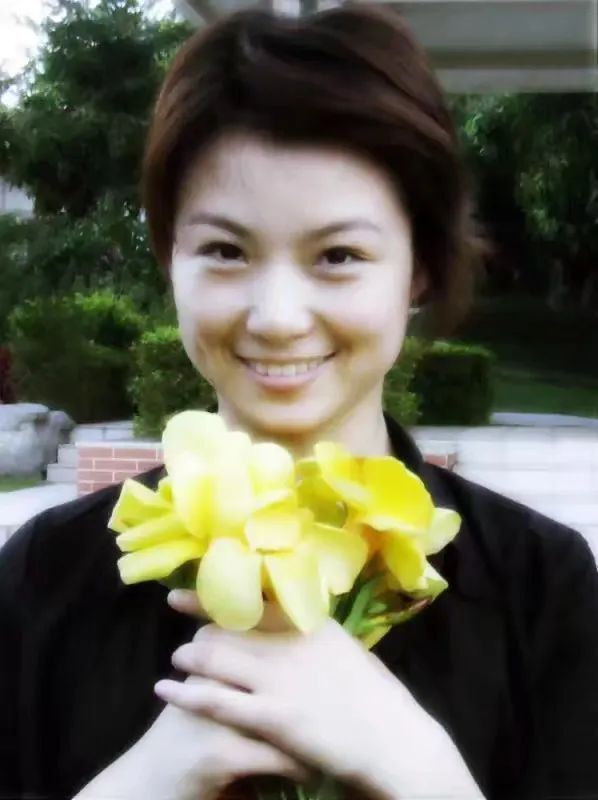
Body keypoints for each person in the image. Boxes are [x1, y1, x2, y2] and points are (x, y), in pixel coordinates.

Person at [1, 4, 597, 800]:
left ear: (418, 269)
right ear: (170, 258)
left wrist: (423, 771)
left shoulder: (540, 587)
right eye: (225, 250)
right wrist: (145, 781)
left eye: (339, 255)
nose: (278, 318)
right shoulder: (45, 577)